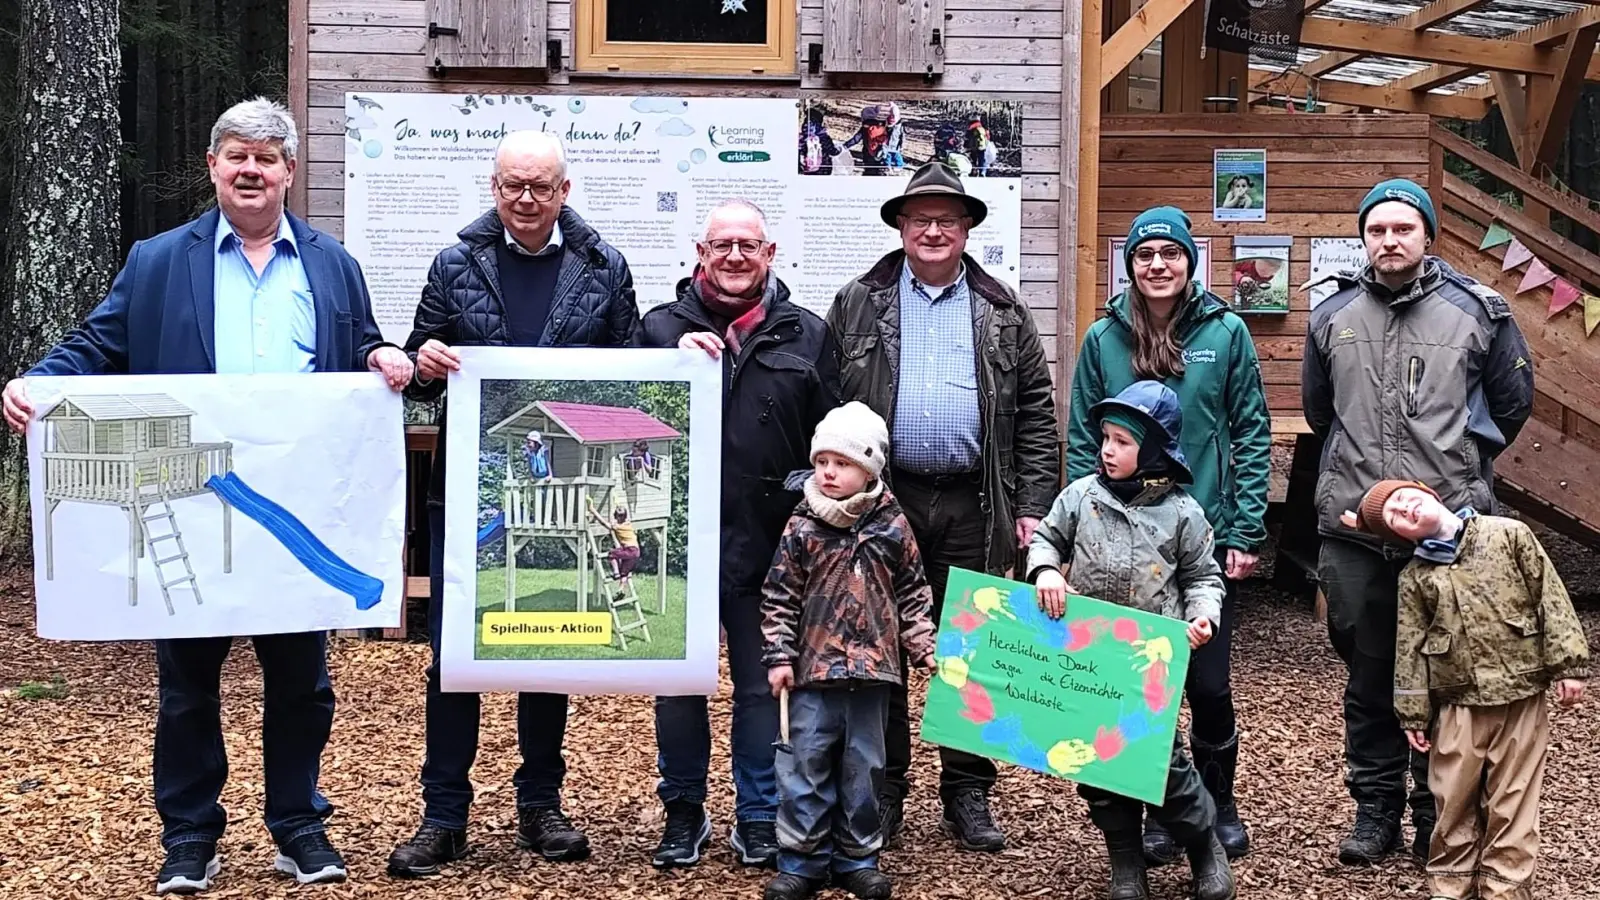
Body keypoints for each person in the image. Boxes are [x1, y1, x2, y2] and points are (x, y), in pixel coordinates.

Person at [1, 96, 413, 895]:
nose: (251, 169)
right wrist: (38, 381)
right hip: (193, 496)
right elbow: (100, 342)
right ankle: (189, 837)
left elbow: (359, 342)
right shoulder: (158, 259)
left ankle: (299, 826)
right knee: (187, 684)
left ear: (290, 171)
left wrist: (384, 356)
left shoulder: (333, 265)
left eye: (266, 157)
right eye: (237, 156)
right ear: (213, 167)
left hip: (293, 507)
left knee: (303, 684)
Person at [385, 129, 640, 876]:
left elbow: (625, 372)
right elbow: (417, 372)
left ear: (565, 191)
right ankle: (444, 816)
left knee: (545, 639)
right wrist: (423, 363)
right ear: (493, 188)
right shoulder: (455, 262)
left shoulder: (604, 266)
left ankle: (540, 805)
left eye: (541, 186)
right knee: (451, 657)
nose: (526, 198)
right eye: (512, 185)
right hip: (467, 490)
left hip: (562, 488)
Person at [1301, 178, 1535, 866]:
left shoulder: (1477, 313)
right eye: (1377, 230)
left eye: (1403, 228)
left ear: (1427, 234)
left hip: (1446, 531)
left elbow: (1511, 405)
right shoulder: (1333, 314)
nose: (1390, 240)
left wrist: (1458, 470)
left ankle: (1438, 808)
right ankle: (1375, 813)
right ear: (1363, 238)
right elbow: (1321, 414)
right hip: (1354, 526)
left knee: (1443, 672)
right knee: (1368, 670)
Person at [826, 160, 1059, 851]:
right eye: (920, 218)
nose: (932, 230)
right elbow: (828, 404)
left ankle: (967, 792)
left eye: (947, 220)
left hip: (976, 503)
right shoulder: (857, 301)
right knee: (884, 643)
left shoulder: (1003, 309)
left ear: (966, 231)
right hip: (882, 502)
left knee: (974, 643)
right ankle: (885, 788)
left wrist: (1033, 504)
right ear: (901, 226)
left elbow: (1038, 416)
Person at [637, 198, 841, 869]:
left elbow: (831, 440)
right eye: (720, 245)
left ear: (769, 254)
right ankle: (683, 810)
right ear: (700, 253)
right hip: (676, 546)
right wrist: (671, 359)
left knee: (762, 687)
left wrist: (800, 502)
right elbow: (625, 422)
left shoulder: (806, 334)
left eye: (747, 245)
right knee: (679, 682)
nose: (733, 257)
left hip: (770, 546)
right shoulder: (658, 328)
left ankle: (757, 813)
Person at [1067, 206, 1271, 863]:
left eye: (1171, 253)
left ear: (1190, 262)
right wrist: (1075, 534)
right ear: (1129, 264)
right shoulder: (1103, 339)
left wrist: (1243, 528)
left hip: (1198, 540)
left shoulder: (1227, 330)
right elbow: (1081, 442)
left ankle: (1219, 803)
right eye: (1145, 253)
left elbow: (1250, 430)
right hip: (1121, 543)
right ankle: (1154, 805)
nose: (1158, 264)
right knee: (1134, 685)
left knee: (1207, 686)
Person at [1026, 380, 1236, 900]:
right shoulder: (1080, 497)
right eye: (1105, 438)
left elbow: (1203, 578)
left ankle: (1203, 846)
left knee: (1161, 762)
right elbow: (1046, 539)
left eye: (1122, 441)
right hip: (1089, 655)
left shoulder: (1183, 513)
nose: (1107, 450)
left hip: (1149, 660)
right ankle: (1126, 862)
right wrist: (1047, 570)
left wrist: (1203, 617)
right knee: (1095, 760)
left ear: (1154, 447)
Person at [1343, 479, 1589, 900]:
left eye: (1405, 499)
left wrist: (1569, 664)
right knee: (1452, 798)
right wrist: (1413, 713)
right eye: (1394, 518)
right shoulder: (1416, 579)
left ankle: (1506, 887)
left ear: (1429, 494)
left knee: (1514, 800)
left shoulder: (1508, 533)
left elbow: (1550, 597)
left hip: (1521, 695)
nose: (1404, 510)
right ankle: (1451, 884)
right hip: (1457, 704)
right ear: (1399, 538)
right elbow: (1410, 649)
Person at [759, 401, 937, 900]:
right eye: (821, 463)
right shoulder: (802, 526)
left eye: (842, 464)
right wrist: (778, 656)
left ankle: (857, 858)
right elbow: (779, 595)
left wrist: (923, 644)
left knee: (865, 771)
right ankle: (801, 860)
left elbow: (913, 591)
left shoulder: (892, 526)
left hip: (873, 674)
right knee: (804, 767)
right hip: (812, 674)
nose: (829, 473)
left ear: (870, 468)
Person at [590, 501, 641, 583]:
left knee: (611, 554)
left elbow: (603, 522)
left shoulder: (617, 527)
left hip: (629, 549)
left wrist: (592, 510)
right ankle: (621, 590)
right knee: (624, 573)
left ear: (616, 516)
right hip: (636, 552)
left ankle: (616, 573)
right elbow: (624, 514)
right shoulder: (628, 523)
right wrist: (618, 505)